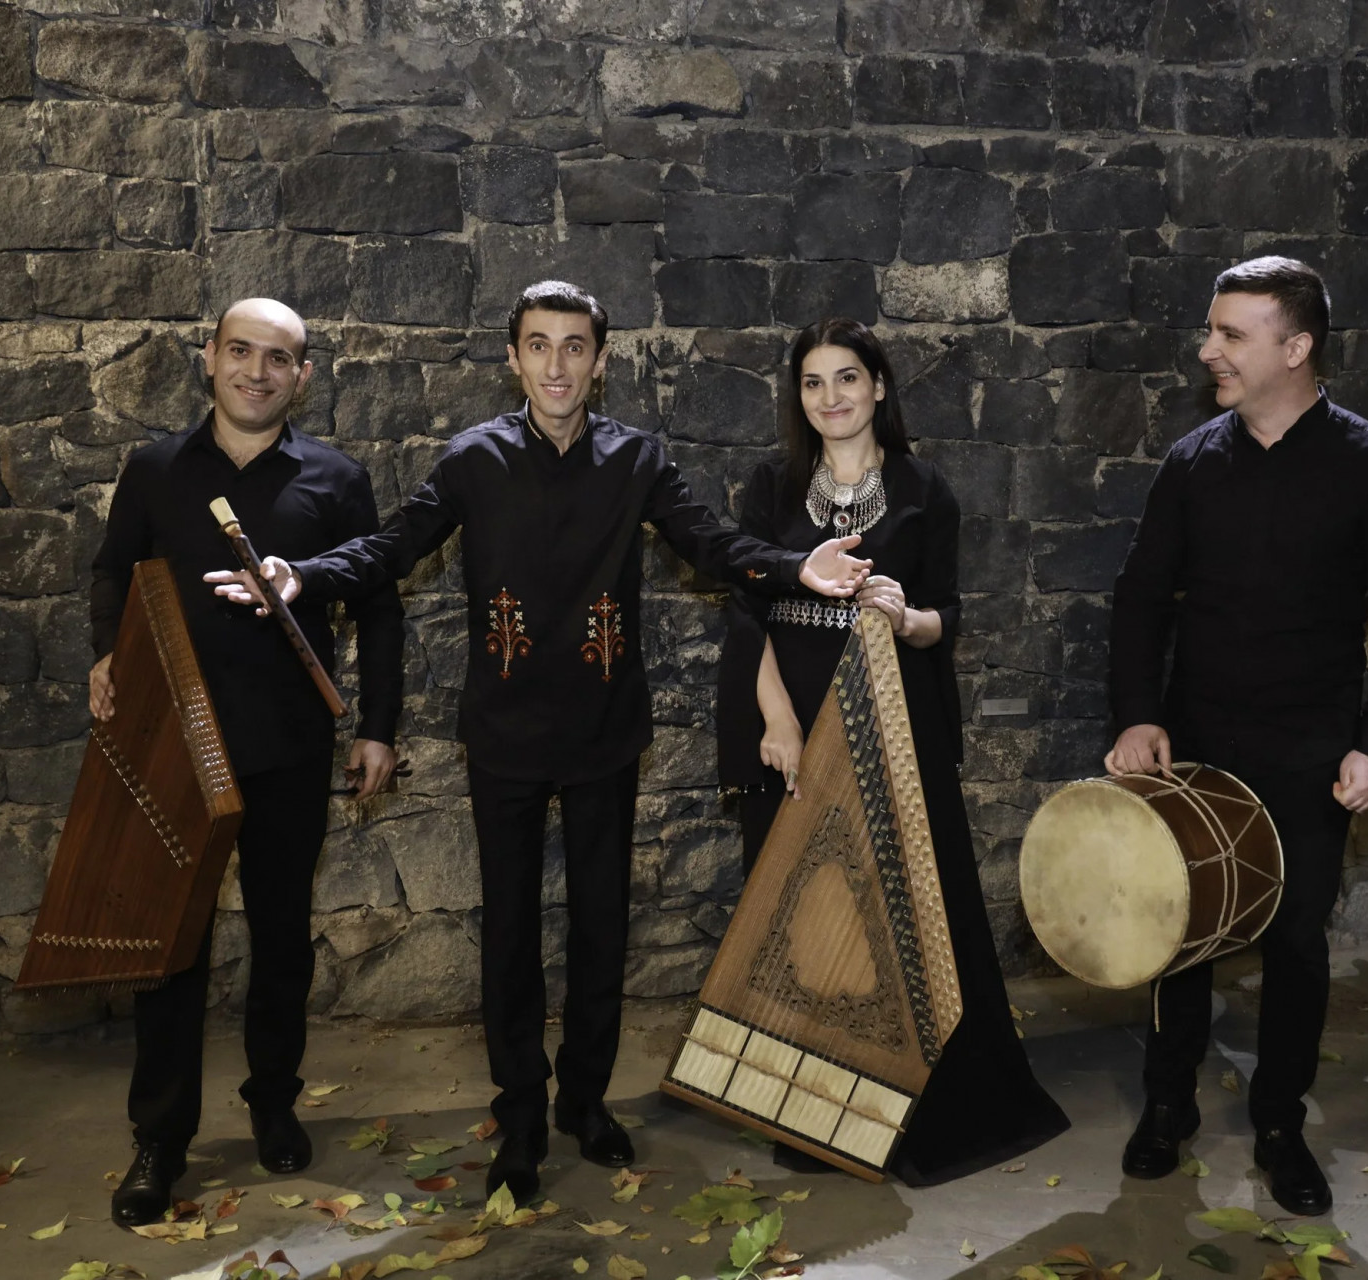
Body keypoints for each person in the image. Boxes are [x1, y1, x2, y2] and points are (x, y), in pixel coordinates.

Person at [210, 281, 872, 1205]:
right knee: (511, 935)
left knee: (603, 927)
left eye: (574, 347)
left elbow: (714, 545)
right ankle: (520, 1116)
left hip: (604, 730)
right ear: (514, 358)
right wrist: (302, 576)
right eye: (538, 345)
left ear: (599, 363)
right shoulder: (473, 459)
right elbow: (391, 550)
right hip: (505, 734)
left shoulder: (637, 458)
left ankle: (587, 1104)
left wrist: (795, 565)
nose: (556, 364)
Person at [1105, 257, 1368, 1215]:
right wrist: (1138, 713)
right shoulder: (1191, 462)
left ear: (1296, 348)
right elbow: (1141, 599)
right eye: (1212, 330)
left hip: (1311, 752)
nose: (1207, 350)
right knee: (1179, 932)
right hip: (1196, 746)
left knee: (1295, 941)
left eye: (1230, 334)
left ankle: (1281, 1124)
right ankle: (1167, 1103)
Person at [716, 318, 1070, 1184]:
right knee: (803, 919)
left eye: (847, 377)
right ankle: (816, 1113)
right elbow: (745, 610)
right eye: (812, 382)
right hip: (792, 724)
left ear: (878, 386)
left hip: (895, 729)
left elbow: (947, 615)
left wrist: (906, 618)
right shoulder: (771, 485)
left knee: (913, 916)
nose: (830, 396)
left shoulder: (923, 488)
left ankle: (922, 1107)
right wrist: (777, 721)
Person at [90, 298, 403, 1228]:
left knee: (281, 939)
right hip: (173, 744)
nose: (255, 372)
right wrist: (106, 652)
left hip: (287, 744)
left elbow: (378, 607)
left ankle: (273, 1102)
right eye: (240, 352)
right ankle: (160, 1138)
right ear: (209, 357)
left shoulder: (337, 479)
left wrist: (378, 727)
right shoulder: (155, 470)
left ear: (302, 376)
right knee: (170, 950)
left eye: (278, 359)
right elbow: (113, 571)